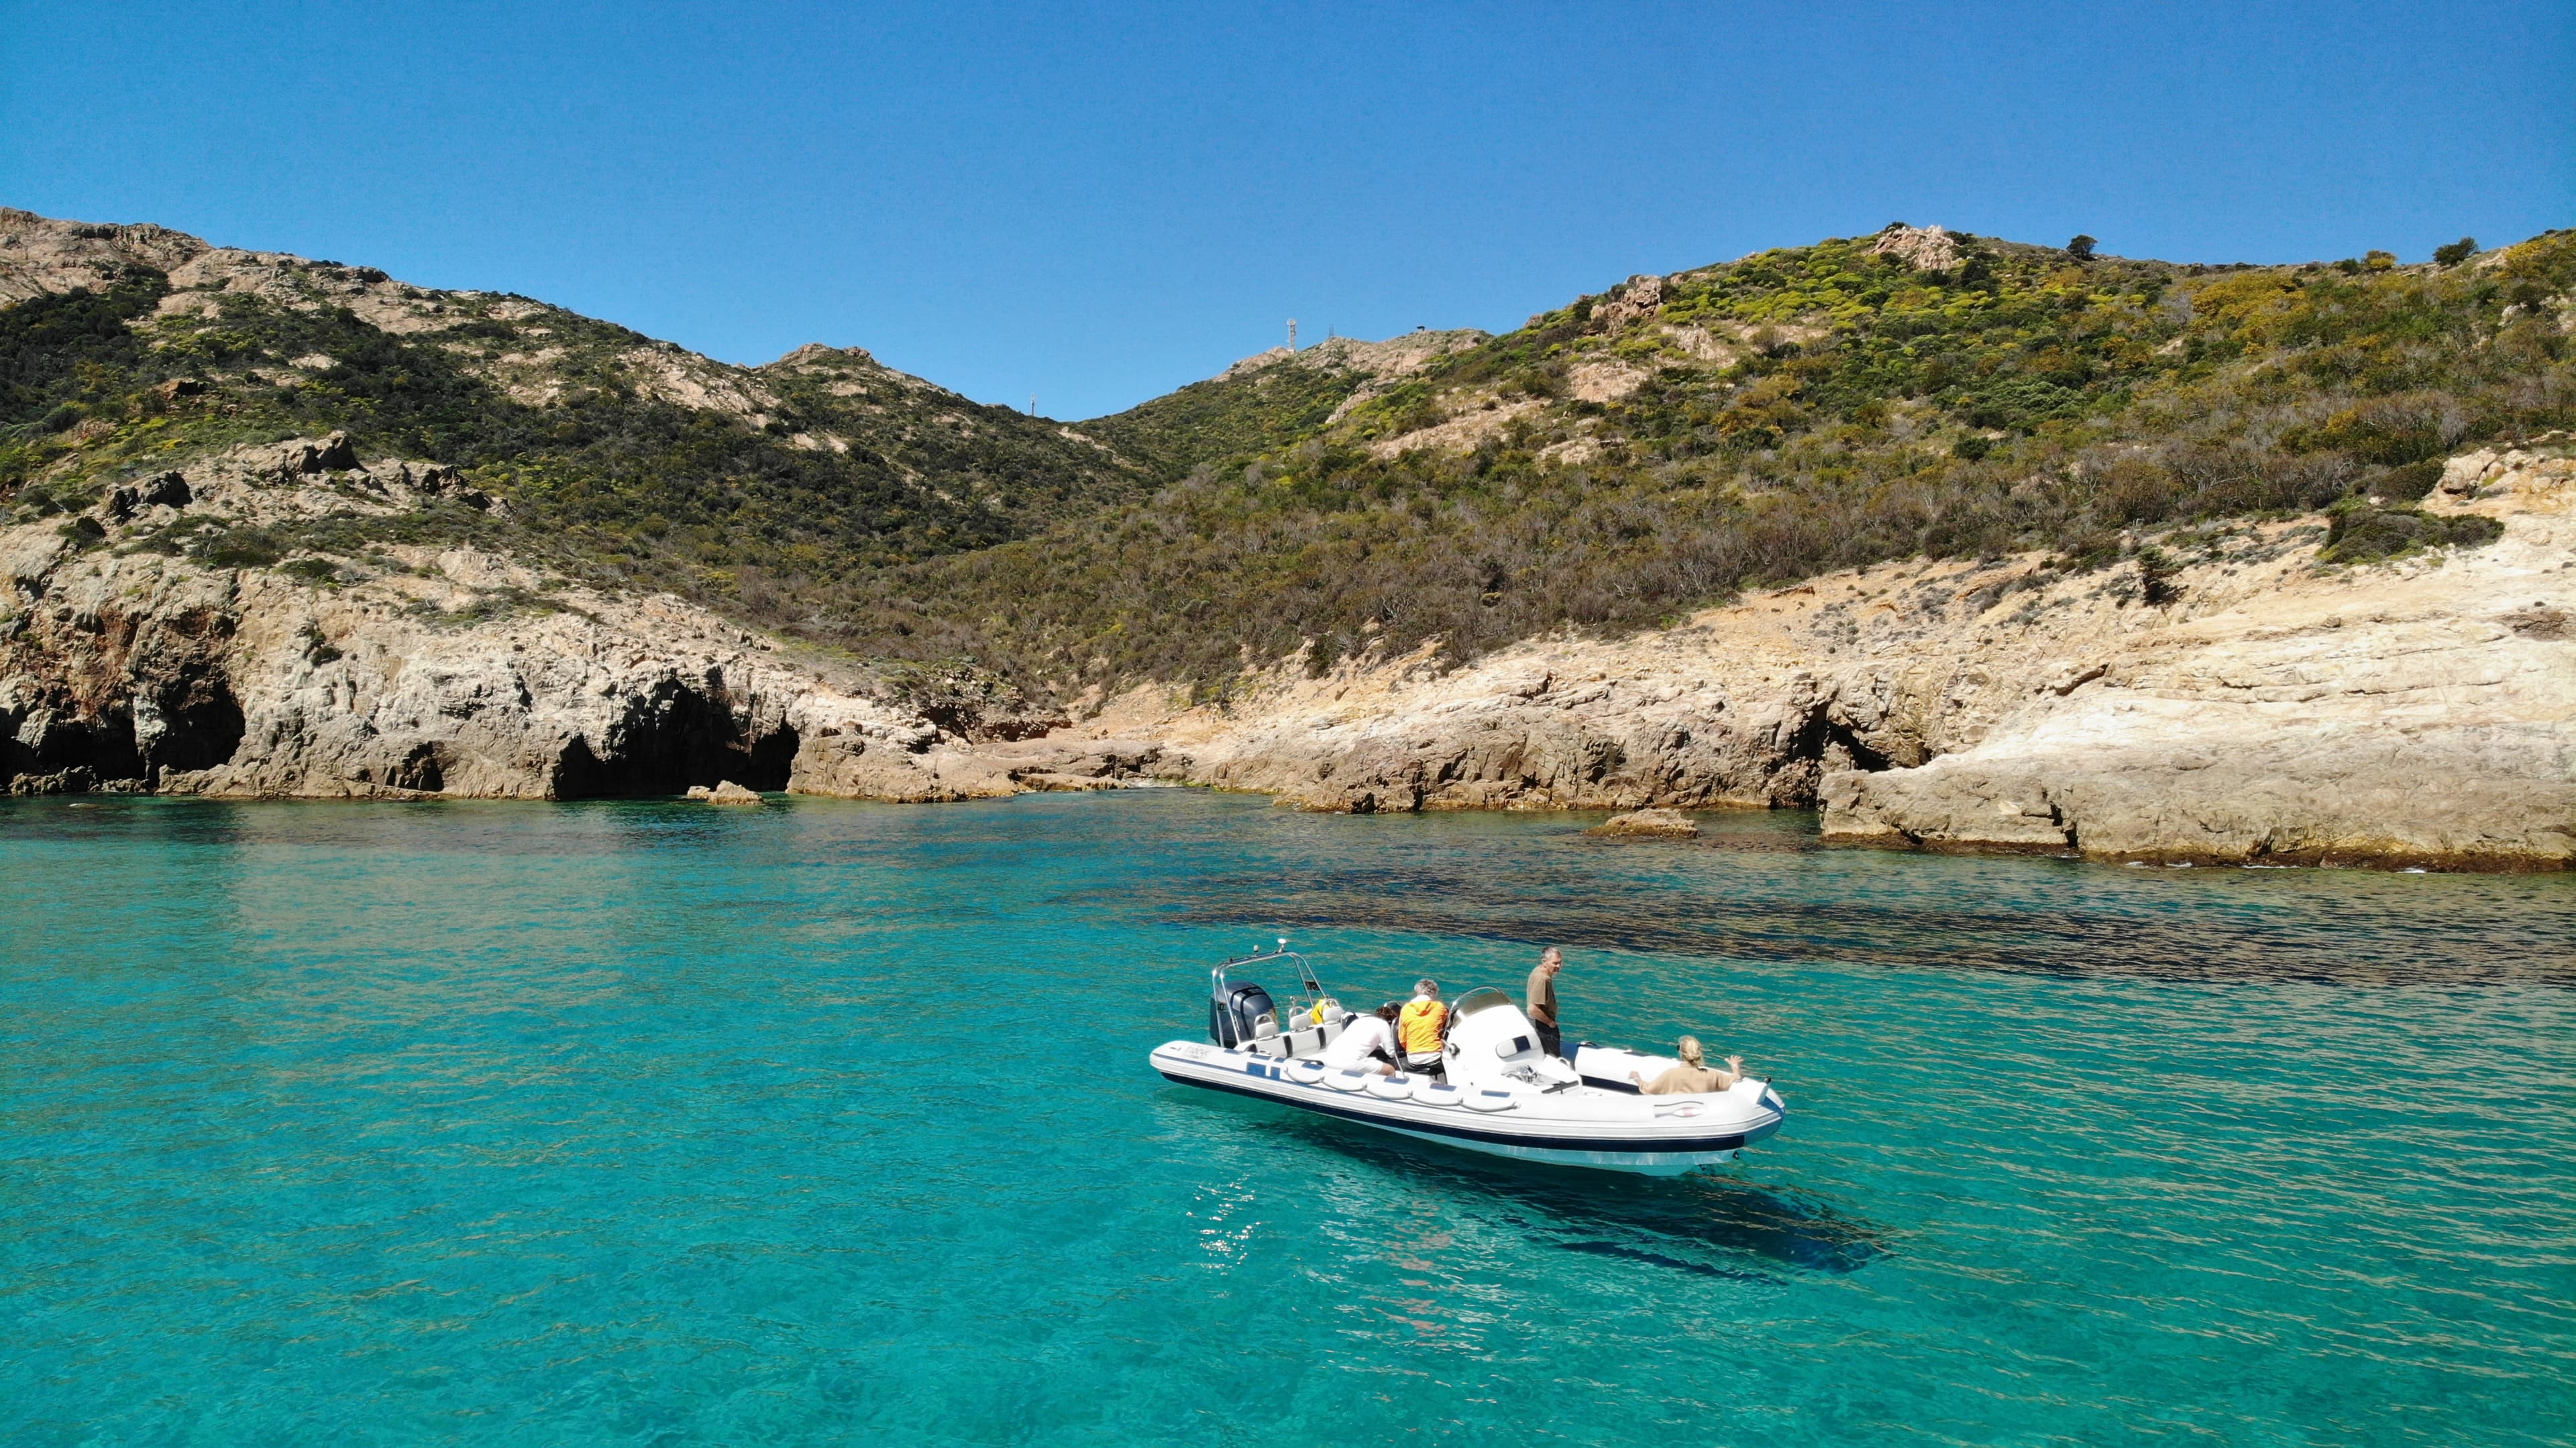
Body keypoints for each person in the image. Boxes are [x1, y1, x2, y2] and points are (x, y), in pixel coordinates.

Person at [1631, 1036, 1745, 1095]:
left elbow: (1648, 1089)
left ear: (1681, 1053)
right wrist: (1735, 1066)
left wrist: (1637, 1078)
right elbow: (1736, 1079)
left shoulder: (1671, 1074)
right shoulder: (1711, 1075)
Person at [1320, 1003, 1401, 1075]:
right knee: (1390, 1070)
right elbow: (1391, 1053)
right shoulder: (1384, 1025)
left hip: (1329, 1058)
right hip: (1346, 1063)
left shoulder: (1359, 1021)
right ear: (1391, 1021)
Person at [1397, 979, 1448, 1076]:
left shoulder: (1406, 1009)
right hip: (1435, 1056)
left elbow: (1402, 1040)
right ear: (1434, 993)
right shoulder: (1439, 1007)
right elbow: (1445, 1024)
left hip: (1413, 1058)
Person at [1526, 946, 1565, 1059]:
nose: (1559, 966)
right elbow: (1533, 1009)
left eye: (1560, 963)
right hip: (1544, 1027)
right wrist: (1550, 1023)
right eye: (1555, 963)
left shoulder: (1539, 970)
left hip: (1540, 1024)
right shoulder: (1542, 979)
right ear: (1544, 962)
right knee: (1553, 1058)